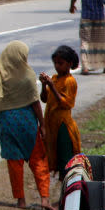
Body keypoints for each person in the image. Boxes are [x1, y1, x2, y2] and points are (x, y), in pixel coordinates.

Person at [0, 40, 55, 210]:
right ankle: (44, 199)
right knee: (38, 159)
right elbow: (35, 103)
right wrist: (43, 126)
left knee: (14, 163)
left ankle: (21, 200)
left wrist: (3, 120)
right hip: (28, 123)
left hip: (7, 122)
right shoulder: (27, 75)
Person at [39, 45, 82, 180]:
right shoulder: (55, 78)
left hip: (63, 125)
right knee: (56, 158)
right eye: (56, 63)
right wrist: (44, 85)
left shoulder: (70, 81)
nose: (57, 66)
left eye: (60, 63)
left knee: (65, 160)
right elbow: (44, 99)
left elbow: (66, 103)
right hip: (52, 124)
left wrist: (52, 86)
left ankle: (65, 197)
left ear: (69, 64)